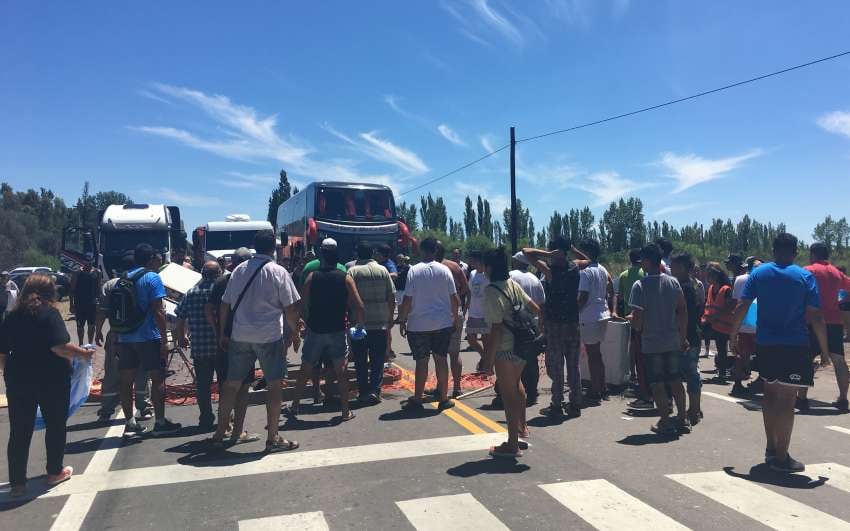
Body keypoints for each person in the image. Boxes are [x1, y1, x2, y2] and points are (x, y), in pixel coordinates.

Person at [730, 233, 829, 473]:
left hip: (766, 344)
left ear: (773, 250)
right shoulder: (805, 276)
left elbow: (742, 305)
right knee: (787, 400)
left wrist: (732, 335)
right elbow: (815, 315)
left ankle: (771, 448)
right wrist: (825, 350)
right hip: (794, 345)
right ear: (795, 252)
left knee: (770, 395)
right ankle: (782, 458)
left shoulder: (759, 273)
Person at [0, 274, 95, 497]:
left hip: (18, 379)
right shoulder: (49, 314)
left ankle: (17, 483)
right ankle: (54, 471)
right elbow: (60, 347)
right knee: (55, 425)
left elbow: (2, 354)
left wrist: (9, 371)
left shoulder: (12, 317)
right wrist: (83, 354)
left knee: (20, 430)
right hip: (51, 378)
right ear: (49, 292)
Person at [214, 231, 301, 452]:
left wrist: (223, 332)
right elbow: (290, 308)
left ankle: (218, 434)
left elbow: (225, 304)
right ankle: (273, 437)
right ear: (274, 248)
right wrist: (295, 332)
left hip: (240, 335)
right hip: (269, 336)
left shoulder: (239, 270)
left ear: (254, 246)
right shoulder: (278, 272)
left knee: (231, 385)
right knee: (274, 386)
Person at [292, 239, 365, 421]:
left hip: (316, 329)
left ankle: (295, 406)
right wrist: (359, 324)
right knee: (341, 371)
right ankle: (345, 410)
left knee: (305, 368)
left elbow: (301, 304)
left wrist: (302, 321)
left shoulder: (312, 277)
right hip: (337, 329)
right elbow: (359, 305)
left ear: (322, 258)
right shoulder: (345, 277)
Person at [118, 244, 181, 438]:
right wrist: (164, 339)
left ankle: (130, 422)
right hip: (148, 336)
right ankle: (160, 422)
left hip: (125, 336)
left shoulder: (124, 277)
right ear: (151, 258)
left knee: (126, 381)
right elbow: (158, 311)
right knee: (157, 377)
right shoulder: (152, 278)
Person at [483, 248, 541, 458]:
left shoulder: (491, 291)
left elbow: (496, 328)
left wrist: (488, 360)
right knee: (517, 386)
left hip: (506, 349)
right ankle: (521, 428)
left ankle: (512, 445)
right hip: (524, 345)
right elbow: (535, 308)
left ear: (488, 268)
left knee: (508, 396)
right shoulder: (513, 285)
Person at [523, 237, 589, 418]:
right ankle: (575, 403)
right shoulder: (575, 266)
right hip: (572, 322)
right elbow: (588, 260)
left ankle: (557, 403)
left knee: (557, 366)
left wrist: (547, 254)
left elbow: (526, 252)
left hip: (555, 324)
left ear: (554, 251)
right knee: (573, 365)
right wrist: (572, 249)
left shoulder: (550, 270)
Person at [629, 244, 690, 435]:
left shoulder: (639, 286)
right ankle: (682, 418)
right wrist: (682, 336)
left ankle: (665, 421)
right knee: (675, 380)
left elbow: (637, 319)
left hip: (652, 342)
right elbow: (682, 310)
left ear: (647, 262)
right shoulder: (673, 282)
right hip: (672, 340)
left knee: (657, 383)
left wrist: (635, 325)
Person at [397, 237, 459, 410]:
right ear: (435, 251)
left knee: (421, 362)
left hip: (418, 325)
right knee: (441, 360)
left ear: (421, 250)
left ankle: (417, 398)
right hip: (442, 323)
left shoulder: (414, 271)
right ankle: (444, 398)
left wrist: (402, 320)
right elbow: (454, 299)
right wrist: (455, 317)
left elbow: (408, 299)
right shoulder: (445, 270)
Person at [204, 247, 258, 445]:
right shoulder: (254, 281)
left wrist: (218, 331)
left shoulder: (221, 282)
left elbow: (209, 309)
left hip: (225, 341)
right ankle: (237, 432)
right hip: (246, 340)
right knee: (243, 388)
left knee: (225, 385)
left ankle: (221, 430)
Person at [95, 251, 152, 424]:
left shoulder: (110, 285)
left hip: (117, 335)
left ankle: (106, 409)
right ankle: (144, 407)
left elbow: (102, 311)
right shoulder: (144, 280)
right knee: (142, 371)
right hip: (142, 334)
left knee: (113, 371)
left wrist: (98, 330)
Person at [799, 243, 850, 411]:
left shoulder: (807, 270)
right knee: (839, 360)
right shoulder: (836, 272)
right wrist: (840, 302)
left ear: (813, 254)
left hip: (812, 319)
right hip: (834, 321)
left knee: (806, 359)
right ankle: (843, 398)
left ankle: (802, 398)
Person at [175, 261, 223, 430]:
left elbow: (179, 318)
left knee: (203, 386)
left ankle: (206, 418)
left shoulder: (191, 293)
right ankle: (226, 418)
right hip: (221, 347)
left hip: (200, 347)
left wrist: (181, 338)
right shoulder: (221, 291)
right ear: (219, 274)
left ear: (203, 274)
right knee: (224, 384)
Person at [347, 241, 395, 403]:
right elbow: (391, 295)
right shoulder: (383, 270)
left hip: (360, 325)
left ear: (357, 254)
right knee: (377, 360)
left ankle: (363, 391)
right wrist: (389, 318)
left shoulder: (352, 272)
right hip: (380, 323)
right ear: (372, 254)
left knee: (360, 360)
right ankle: (375, 390)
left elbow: (349, 297)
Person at [670, 252, 703, 426]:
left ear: (682, 268)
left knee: (687, 374)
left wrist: (682, 337)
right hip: (693, 335)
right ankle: (695, 408)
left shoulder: (683, 288)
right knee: (691, 373)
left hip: (686, 336)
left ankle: (693, 410)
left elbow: (683, 314)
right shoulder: (694, 285)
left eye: (673, 265)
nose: (670, 268)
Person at [577, 238, 612, 401]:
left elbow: (583, 296)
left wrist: (574, 310)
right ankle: (602, 386)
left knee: (593, 355)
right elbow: (610, 288)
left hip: (589, 316)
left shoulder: (586, 272)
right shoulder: (603, 269)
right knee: (597, 354)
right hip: (603, 313)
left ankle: (595, 389)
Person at [509, 251, 546, 404]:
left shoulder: (511, 276)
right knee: (531, 360)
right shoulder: (534, 278)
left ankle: (514, 391)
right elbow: (542, 303)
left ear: (517, 261)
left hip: (516, 324)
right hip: (534, 323)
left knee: (514, 359)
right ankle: (532, 392)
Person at [618, 250, 651, 409]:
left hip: (628, 312)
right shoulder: (644, 273)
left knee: (632, 344)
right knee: (641, 346)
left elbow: (621, 296)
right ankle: (642, 376)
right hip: (644, 314)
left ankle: (633, 373)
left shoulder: (624, 274)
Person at [436, 242, 470, 398]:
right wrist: (457, 297)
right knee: (454, 353)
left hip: (439, 314)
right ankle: (456, 387)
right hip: (455, 310)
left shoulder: (430, 267)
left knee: (439, 354)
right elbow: (465, 288)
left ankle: (441, 388)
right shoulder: (454, 267)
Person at [730, 256, 762, 398]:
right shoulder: (764, 278)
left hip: (742, 323)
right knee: (763, 353)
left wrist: (734, 327)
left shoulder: (740, 279)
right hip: (760, 324)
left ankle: (737, 383)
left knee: (742, 354)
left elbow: (736, 302)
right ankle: (761, 380)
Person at [702, 263, 735, 382]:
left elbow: (730, 306)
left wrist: (716, 316)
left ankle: (726, 372)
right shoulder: (711, 288)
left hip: (726, 324)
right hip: (716, 324)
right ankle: (722, 371)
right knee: (721, 349)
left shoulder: (726, 289)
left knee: (728, 349)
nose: (707, 278)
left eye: (709, 275)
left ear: (716, 276)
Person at [466, 251, 490, 371]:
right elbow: (470, 292)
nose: (470, 262)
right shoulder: (472, 273)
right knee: (471, 339)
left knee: (486, 342)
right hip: (473, 312)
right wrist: (466, 307)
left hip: (485, 314)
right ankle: (485, 359)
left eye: (472, 260)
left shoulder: (487, 275)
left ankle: (487, 366)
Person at [70, 260, 101, 346]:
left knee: (91, 325)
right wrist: (71, 305)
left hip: (92, 304)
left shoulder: (97, 272)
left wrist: (99, 302)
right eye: (86, 261)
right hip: (79, 303)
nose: (88, 263)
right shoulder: (77, 273)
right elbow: (72, 290)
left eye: (90, 261)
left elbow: (98, 288)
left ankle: (90, 345)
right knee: (80, 326)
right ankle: (81, 344)